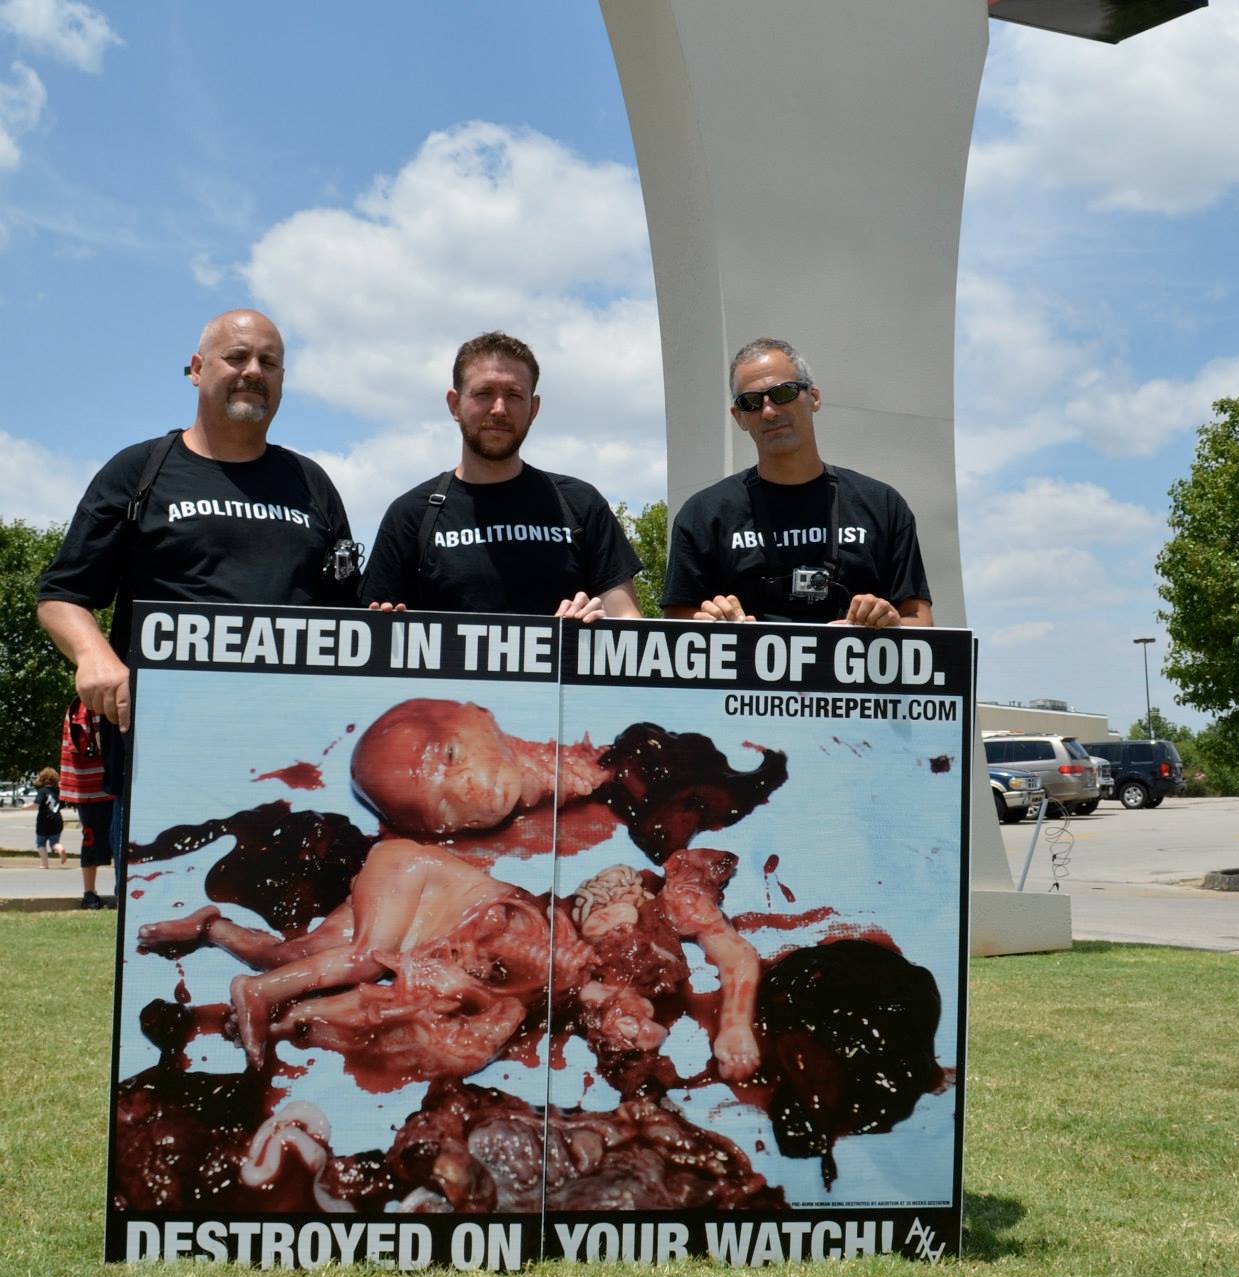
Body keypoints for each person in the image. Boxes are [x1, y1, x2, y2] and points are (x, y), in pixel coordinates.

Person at [36, 309, 359, 866]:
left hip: (297, 767)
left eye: (269, 361)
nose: (253, 370)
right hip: (166, 761)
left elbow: (351, 618)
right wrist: (95, 656)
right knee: (161, 937)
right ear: (196, 369)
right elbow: (62, 595)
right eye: (236, 357)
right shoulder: (139, 471)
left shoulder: (313, 485)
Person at [360, 331, 642, 622]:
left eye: (514, 395)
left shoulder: (580, 504)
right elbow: (370, 640)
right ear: (454, 404)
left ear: (534, 408)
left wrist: (600, 622)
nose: (499, 409)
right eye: (484, 393)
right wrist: (388, 628)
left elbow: (629, 622)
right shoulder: (411, 515)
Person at [661, 336, 933, 628]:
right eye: (751, 402)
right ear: (738, 417)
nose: (769, 411)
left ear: (814, 397)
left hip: (854, 672)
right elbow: (676, 624)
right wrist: (712, 623)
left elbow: (920, 620)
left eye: (783, 393)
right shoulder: (704, 514)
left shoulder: (882, 505)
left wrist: (888, 625)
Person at [59, 696, 113, 909]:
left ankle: (90, 893)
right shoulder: (91, 704)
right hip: (98, 783)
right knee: (108, 839)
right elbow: (100, 742)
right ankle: (92, 892)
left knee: (91, 839)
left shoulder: (78, 703)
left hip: (87, 785)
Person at [33, 767, 65, 868]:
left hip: (43, 820)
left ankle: (44, 864)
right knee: (54, 843)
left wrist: (25, 807)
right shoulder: (58, 792)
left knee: (40, 843)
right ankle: (60, 849)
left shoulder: (42, 791)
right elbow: (62, 805)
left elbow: (36, 804)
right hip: (57, 820)